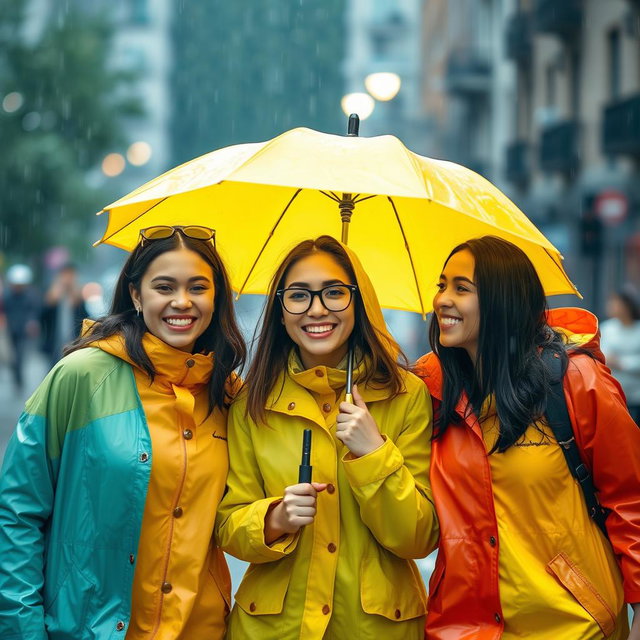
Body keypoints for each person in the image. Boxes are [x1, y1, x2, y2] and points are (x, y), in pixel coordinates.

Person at [0, 225, 246, 640]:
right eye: (164, 287)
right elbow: (18, 510)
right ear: (136, 295)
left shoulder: (228, 395)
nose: (181, 302)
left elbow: (232, 518)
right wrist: (22, 630)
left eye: (198, 287)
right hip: (91, 629)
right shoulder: (80, 376)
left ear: (216, 297)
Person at [414, 236, 640, 640]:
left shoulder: (576, 380)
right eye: (441, 285)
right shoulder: (430, 392)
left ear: (504, 300)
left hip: (572, 626)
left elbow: (631, 501)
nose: (442, 299)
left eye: (461, 288)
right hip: (464, 629)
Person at [216, 235, 438, 640]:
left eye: (335, 293)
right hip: (273, 628)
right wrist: (275, 518)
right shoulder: (253, 400)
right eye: (299, 295)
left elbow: (419, 538)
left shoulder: (406, 395)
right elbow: (229, 523)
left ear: (359, 302)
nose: (317, 309)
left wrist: (374, 455)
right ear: (280, 311)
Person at [600, 289, 640, 425]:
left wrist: (622, 363)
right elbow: (601, 353)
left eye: (616, 303)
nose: (612, 306)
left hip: (636, 393)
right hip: (613, 393)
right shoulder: (607, 328)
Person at [40, 262, 88, 367]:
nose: (68, 278)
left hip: (73, 341)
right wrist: (51, 301)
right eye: (65, 275)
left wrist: (77, 302)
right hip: (55, 341)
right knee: (53, 369)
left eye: (71, 275)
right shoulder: (52, 293)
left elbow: (85, 319)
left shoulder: (78, 296)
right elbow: (42, 316)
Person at [3, 264, 39, 391]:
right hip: (10, 330)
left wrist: (32, 323)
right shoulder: (7, 295)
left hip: (24, 331)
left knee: (20, 356)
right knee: (12, 357)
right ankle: (16, 378)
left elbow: (34, 311)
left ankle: (19, 380)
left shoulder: (30, 295)